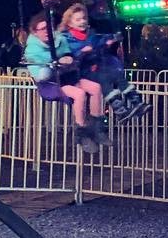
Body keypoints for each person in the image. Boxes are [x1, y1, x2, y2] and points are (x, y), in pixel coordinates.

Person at [23, 11, 107, 150]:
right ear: (35, 32)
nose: (46, 32)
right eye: (42, 29)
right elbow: (40, 74)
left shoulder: (60, 40)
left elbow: (69, 55)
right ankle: (81, 133)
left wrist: (71, 58)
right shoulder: (33, 49)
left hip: (68, 76)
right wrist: (56, 63)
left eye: (48, 28)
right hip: (51, 83)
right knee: (79, 94)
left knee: (95, 88)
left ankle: (96, 127)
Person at [57, 3, 148, 121]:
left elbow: (99, 42)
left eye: (84, 18)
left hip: (94, 66)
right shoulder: (66, 39)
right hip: (81, 71)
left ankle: (135, 101)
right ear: (69, 23)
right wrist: (81, 52)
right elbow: (69, 55)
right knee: (103, 78)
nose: (82, 22)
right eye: (78, 19)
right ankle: (118, 109)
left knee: (116, 74)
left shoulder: (90, 35)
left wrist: (111, 39)